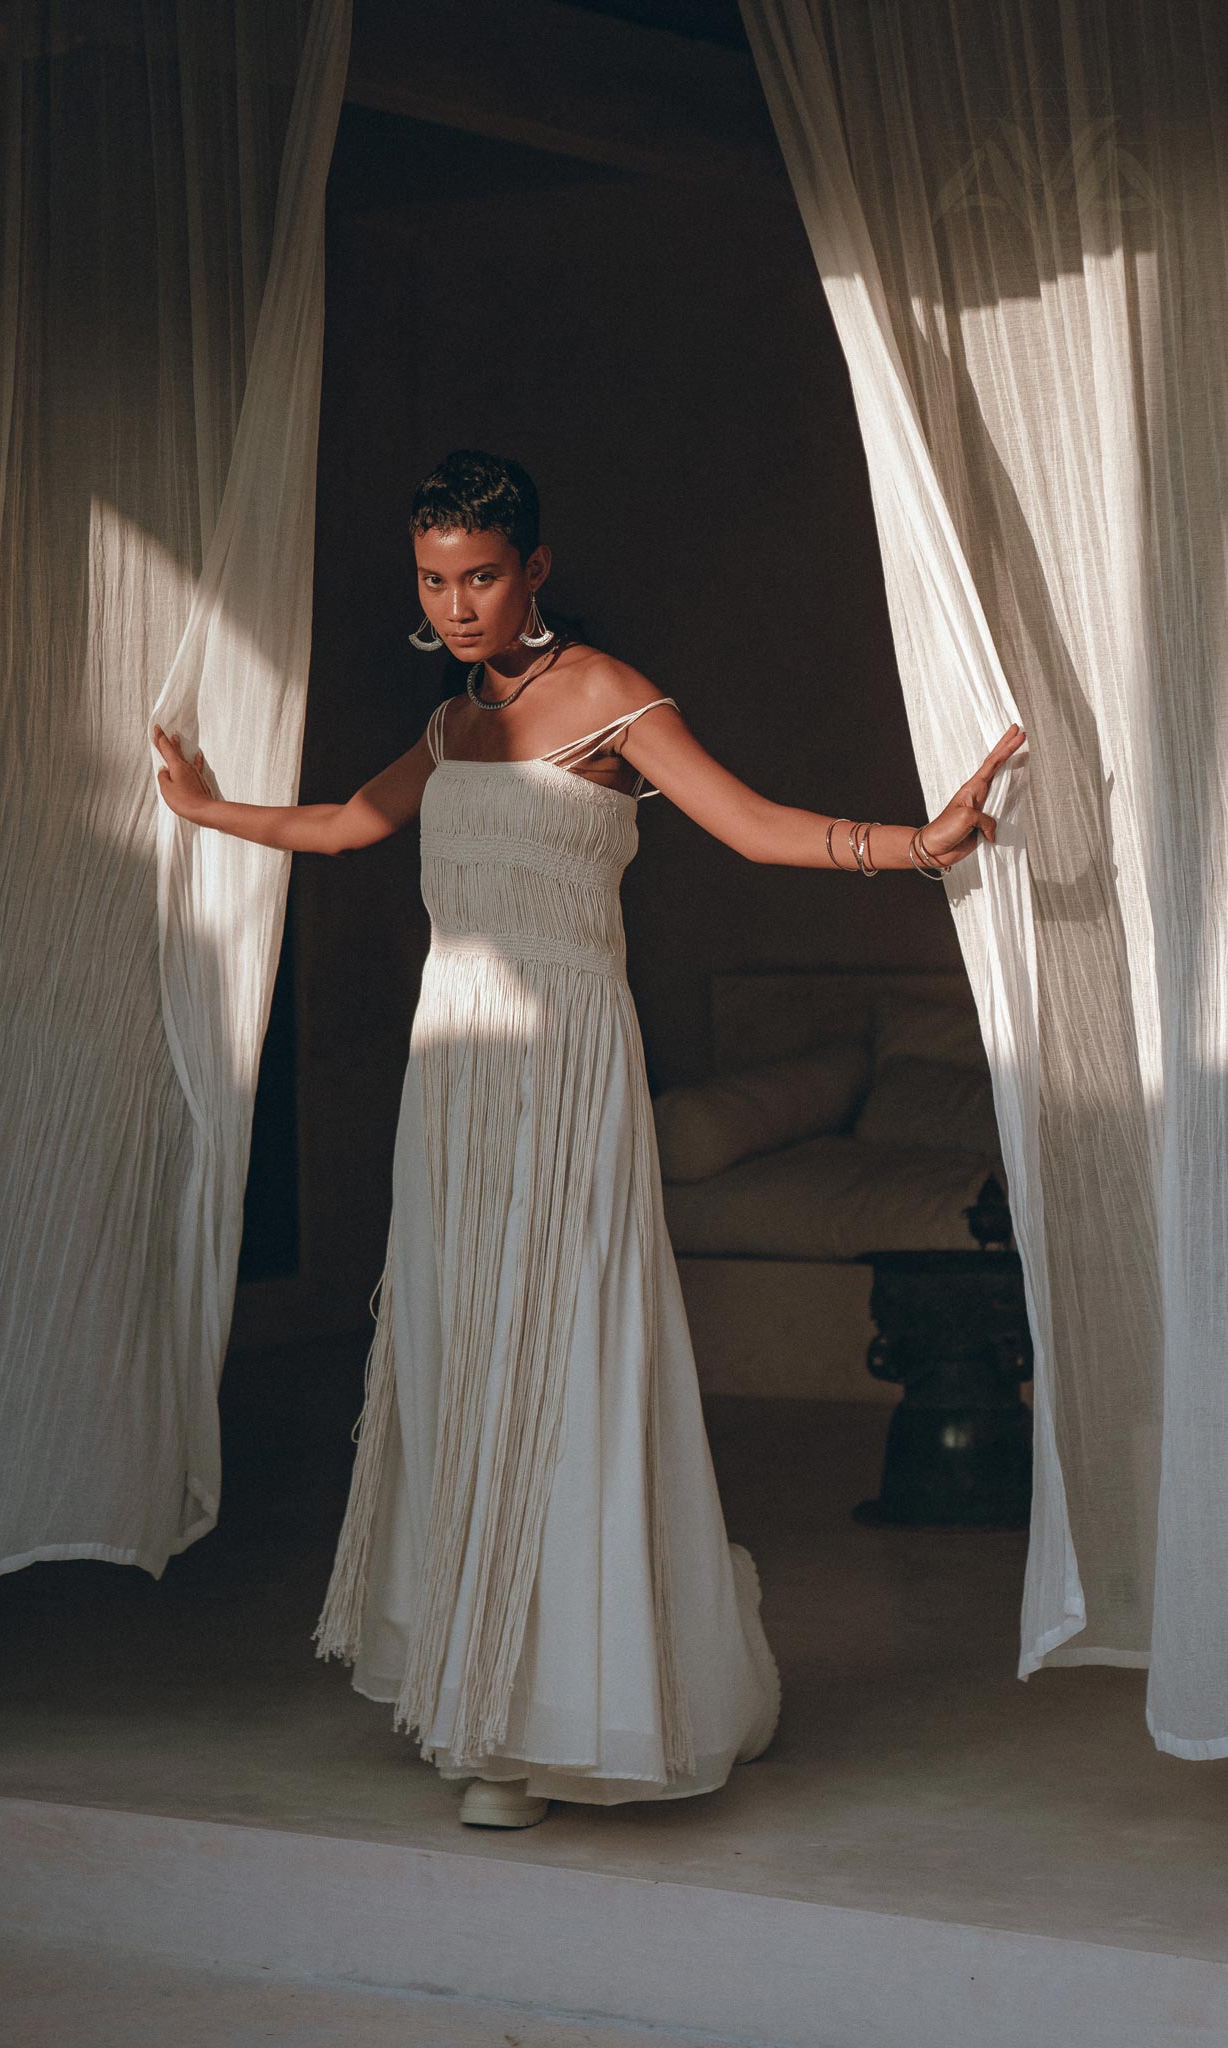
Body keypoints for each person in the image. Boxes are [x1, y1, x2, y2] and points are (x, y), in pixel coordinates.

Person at [153, 449, 1025, 1831]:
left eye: (481, 576)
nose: (456, 605)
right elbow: (335, 829)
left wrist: (917, 848)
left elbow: (747, 827)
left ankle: (561, 1713)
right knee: (457, 1360)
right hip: (451, 1088)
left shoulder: (612, 698)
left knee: (564, 1367)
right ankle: (477, 1695)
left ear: (534, 569)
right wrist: (205, 808)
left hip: (565, 1079)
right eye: (435, 580)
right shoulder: (445, 730)